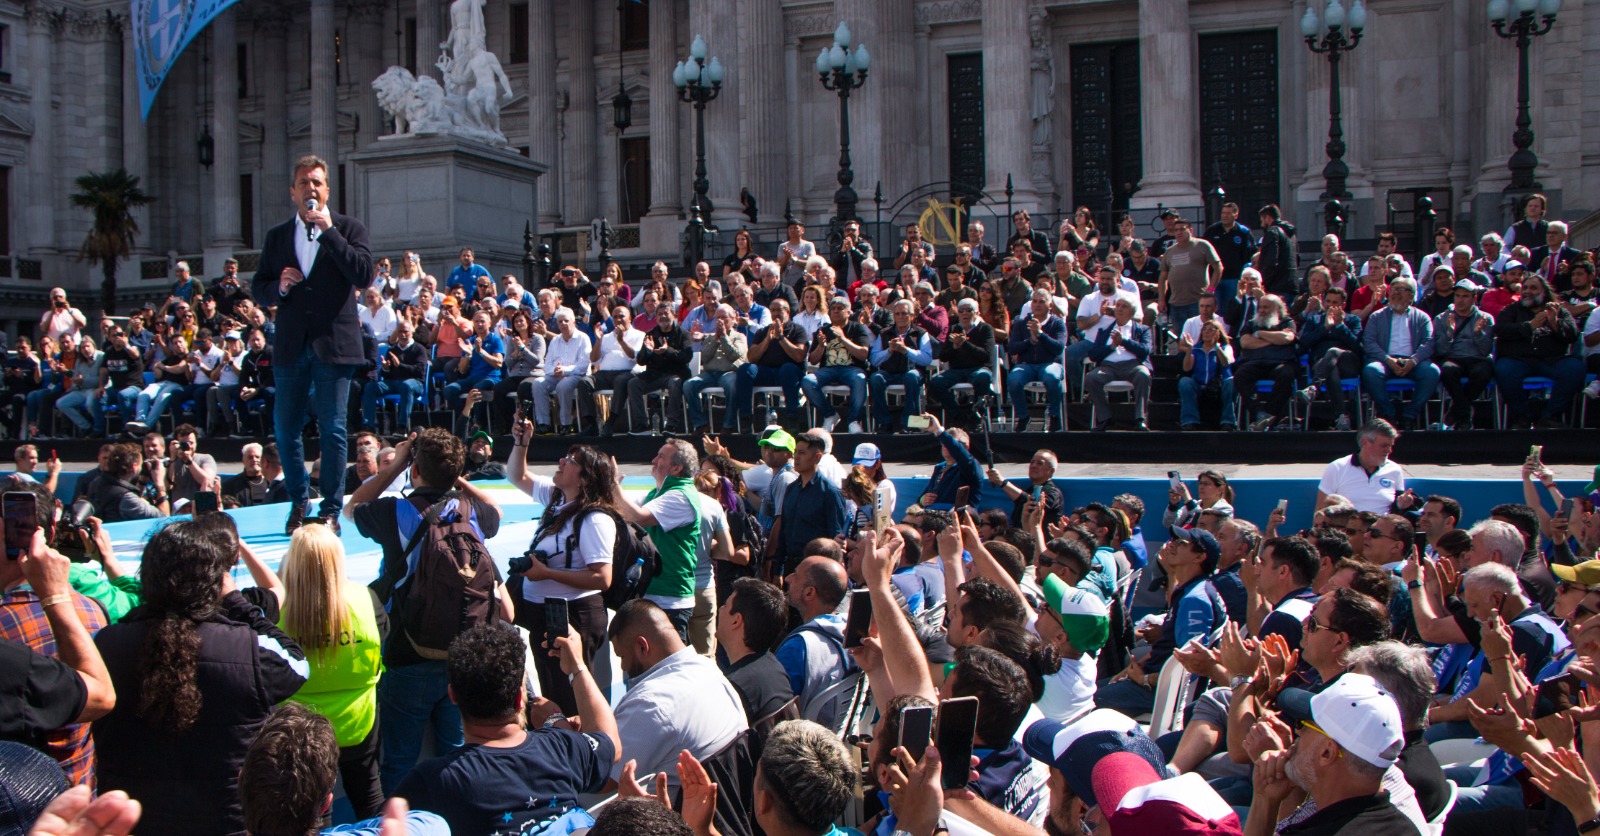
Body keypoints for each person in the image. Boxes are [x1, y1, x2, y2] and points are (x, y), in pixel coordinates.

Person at [92, 521, 308, 835]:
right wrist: (235, 601)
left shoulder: (107, 644)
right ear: (216, 581)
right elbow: (298, 665)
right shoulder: (246, 649)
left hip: (131, 819)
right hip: (227, 821)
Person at [346, 428, 506, 794]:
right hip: (464, 656)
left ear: (414, 470)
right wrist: (456, 477)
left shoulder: (395, 510)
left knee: (400, 760)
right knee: (456, 753)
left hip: (408, 654)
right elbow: (497, 510)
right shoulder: (474, 513)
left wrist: (397, 463)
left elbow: (351, 508)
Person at [395, 623, 618, 835]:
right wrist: (577, 666)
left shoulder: (430, 782)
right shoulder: (562, 748)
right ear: (520, 698)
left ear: (453, 695)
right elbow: (610, 743)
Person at [251, 154, 374, 535]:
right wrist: (279, 287)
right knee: (285, 428)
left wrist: (329, 233)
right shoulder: (276, 237)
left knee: (332, 429)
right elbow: (259, 287)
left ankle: (332, 508)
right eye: (304, 183)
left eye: (317, 182)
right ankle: (299, 499)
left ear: (327, 190)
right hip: (290, 345)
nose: (311, 189)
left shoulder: (348, 229)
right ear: (293, 192)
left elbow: (364, 274)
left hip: (333, 345)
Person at [275, 525, 386, 821]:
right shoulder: (365, 599)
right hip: (357, 720)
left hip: (301, 727)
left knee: (312, 806)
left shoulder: (278, 609)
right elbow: (382, 635)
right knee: (369, 795)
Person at [506, 435, 618, 715]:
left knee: (570, 700)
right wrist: (521, 441)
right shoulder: (558, 500)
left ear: (584, 479)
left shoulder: (594, 519)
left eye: (571, 461)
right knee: (553, 693)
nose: (561, 461)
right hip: (548, 618)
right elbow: (516, 475)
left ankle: (575, 750)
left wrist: (547, 573)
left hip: (572, 619)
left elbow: (602, 578)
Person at [1250, 674, 1415, 836]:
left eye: (1303, 724)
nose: (1297, 731)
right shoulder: (1406, 828)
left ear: (1327, 752)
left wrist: (1263, 804)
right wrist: (1266, 799)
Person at [607, 599, 748, 788]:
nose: (623, 666)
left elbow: (604, 777)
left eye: (622, 657)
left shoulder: (652, 704)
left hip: (669, 813)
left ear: (642, 646)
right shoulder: (709, 669)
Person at [612, 440, 704, 639]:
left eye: (661, 456)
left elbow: (638, 517)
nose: (653, 460)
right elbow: (622, 511)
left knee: (667, 667)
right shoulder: (658, 493)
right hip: (653, 593)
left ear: (677, 467)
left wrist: (612, 485)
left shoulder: (681, 495)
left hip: (669, 598)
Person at [1493, 273, 1585, 429]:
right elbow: (1500, 330)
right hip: (1518, 360)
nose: (1528, 291)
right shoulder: (1512, 310)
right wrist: (1529, 326)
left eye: (1534, 288)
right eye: (1525, 287)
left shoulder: (1559, 310)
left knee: (1575, 368)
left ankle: (1550, 416)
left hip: (1551, 360)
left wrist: (1555, 322)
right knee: (1503, 369)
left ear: (1544, 292)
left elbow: (1573, 334)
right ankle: (1522, 418)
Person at [1358, 278, 1438, 431]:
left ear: (1412, 296)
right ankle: (1389, 415)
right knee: (1371, 371)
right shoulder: (1377, 316)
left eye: (1402, 289)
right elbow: (1369, 343)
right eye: (1394, 288)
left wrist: (1413, 361)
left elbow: (1429, 343)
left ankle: (1410, 415)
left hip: (1414, 361)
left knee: (1432, 372)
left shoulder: (1422, 317)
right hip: (1385, 360)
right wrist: (1388, 360)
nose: (1396, 292)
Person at [715, 577, 796, 723]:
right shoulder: (775, 668)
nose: (720, 609)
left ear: (736, 620)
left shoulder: (733, 689)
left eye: (725, 605)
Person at [772, 432, 849, 577]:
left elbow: (836, 537)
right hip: (791, 565)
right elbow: (784, 530)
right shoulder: (791, 489)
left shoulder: (829, 492)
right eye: (795, 452)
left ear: (817, 457)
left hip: (817, 568)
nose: (796, 457)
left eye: (802, 453)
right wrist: (778, 570)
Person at [1430, 277, 1496, 430]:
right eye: (1458, 296)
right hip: (1454, 358)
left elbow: (1486, 351)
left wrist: (1478, 334)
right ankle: (1464, 414)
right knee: (1447, 371)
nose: (1460, 300)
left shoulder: (1486, 318)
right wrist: (1449, 333)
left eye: (1465, 296)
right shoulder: (1442, 318)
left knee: (1483, 372)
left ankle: (1456, 412)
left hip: (1477, 358)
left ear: (1474, 298)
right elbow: (1440, 351)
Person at [800, 295, 872, 434]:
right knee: (807, 381)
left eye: (840, 308)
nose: (836, 311)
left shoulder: (858, 328)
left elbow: (863, 354)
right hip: (828, 369)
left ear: (848, 312)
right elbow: (813, 360)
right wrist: (821, 346)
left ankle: (853, 421)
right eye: (833, 309)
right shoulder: (823, 331)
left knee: (860, 379)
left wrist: (843, 339)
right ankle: (830, 414)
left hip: (852, 369)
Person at [1084, 297, 1153, 432]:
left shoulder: (1142, 330)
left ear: (1132, 312)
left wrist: (1124, 341)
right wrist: (1111, 347)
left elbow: (1145, 351)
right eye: (1118, 306)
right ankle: (1105, 419)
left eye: (1124, 306)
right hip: (1108, 367)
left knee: (1143, 374)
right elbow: (1093, 355)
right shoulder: (1104, 331)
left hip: (1133, 366)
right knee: (1092, 377)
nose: (1119, 309)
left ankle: (1140, 419)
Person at [1233, 294, 1300, 432]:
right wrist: (1275, 339)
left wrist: (1259, 335)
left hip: (1280, 362)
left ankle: (1269, 415)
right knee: (1240, 375)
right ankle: (1259, 413)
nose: (1262, 310)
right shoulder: (1251, 324)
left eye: (1266, 307)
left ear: (1277, 308)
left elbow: (1287, 338)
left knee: (1287, 375)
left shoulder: (1287, 322)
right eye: (1260, 307)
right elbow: (1245, 342)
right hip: (1254, 363)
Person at [1317, 419, 1403, 513]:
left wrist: (1404, 505)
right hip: (1348, 526)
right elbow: (1320, 512)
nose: (1389, 451)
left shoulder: (1395, 470)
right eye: (1384, 446)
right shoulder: (1337, 468)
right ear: (1365, 443)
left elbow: (1398, 514)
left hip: (1383, 526)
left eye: (1391, 446)